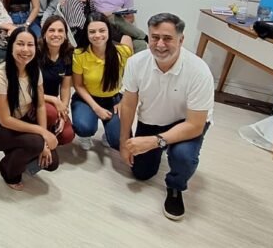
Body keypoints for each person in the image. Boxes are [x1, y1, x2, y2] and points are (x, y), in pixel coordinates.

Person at [119, 13, 214, 221]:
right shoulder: (136, 62)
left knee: (183, 157)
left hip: (186, 122)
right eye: (154, 37)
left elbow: (196, 125)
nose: (160, 44)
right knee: (141, 173)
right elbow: (128, 104)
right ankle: (161, 148)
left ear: (181, 40)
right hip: (152, 119)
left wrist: (155, 141)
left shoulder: (199, 71)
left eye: (168, 38)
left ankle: (175, 187)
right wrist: (123, 140)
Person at [0, 27, 59, 190]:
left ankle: (16, 153)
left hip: (20, 120)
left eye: (30, 45)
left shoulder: (34, 70)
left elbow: (40, 105)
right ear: (11, 47)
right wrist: (42, 133)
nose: (25, 49)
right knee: (36, 143)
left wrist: (44, 141)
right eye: (20, 44)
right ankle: (7, 171)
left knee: (52, 162)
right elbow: (5, 119)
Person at [71, 12, 133, 150]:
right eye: (92, 31)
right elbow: (78, 85)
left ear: (109, 31)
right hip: (87, 98)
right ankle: (85, 135)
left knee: (118, 141)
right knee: (84, 127)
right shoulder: (79, 54)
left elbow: (133, 81)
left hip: (114, 99)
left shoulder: (122, 52)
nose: (97, 35)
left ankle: (109, 133)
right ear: (86, 34)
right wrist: (96, 108)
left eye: (102, 30)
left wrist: (123, 101)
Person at [37, 16, 75, 146]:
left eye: (60, 31)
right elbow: (27, 89)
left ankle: (48, 131)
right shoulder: (35, 52)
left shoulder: (68, 54)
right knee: (52, 113)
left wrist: (63, 109)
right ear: (44, 33)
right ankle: (39, 138)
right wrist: (54, 100)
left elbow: (65, 87)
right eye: (51, 30)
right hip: (33, 99)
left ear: (65, 34)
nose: (56, 34)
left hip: (53, 103)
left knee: (67, 135)